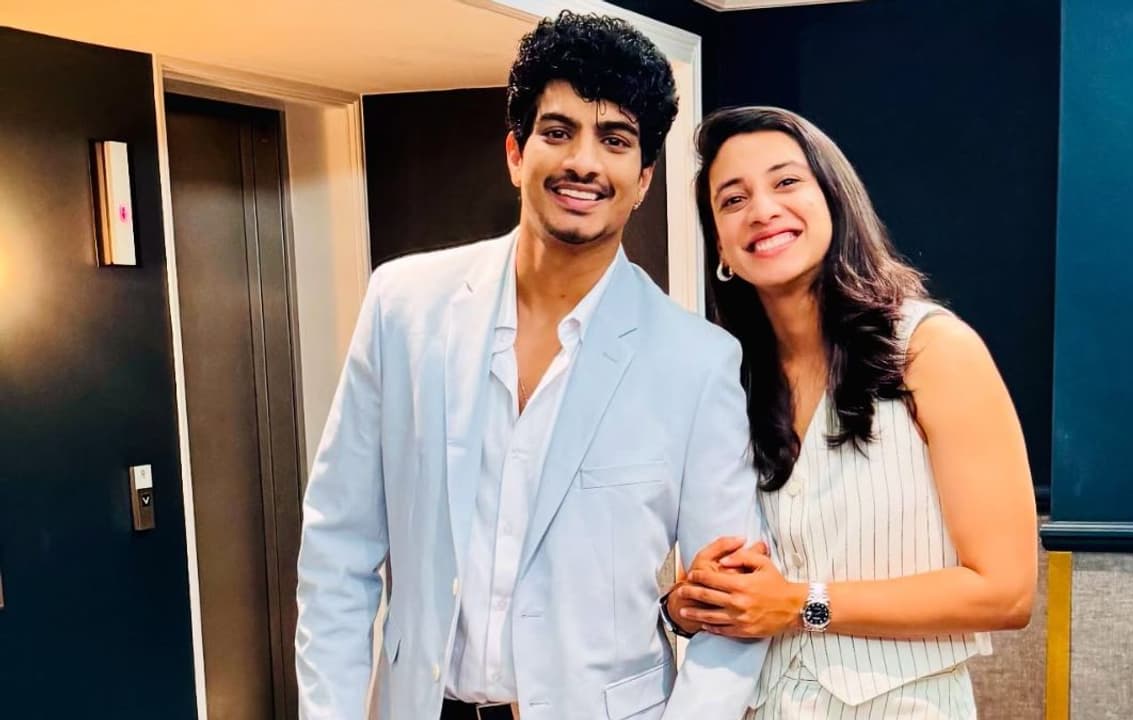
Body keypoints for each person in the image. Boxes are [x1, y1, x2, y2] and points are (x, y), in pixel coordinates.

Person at [295, 13, 768, 720]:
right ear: (516, 153)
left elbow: (732, 612)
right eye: (558, 131)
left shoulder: (696, 361)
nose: (584, 162)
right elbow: (338, 549)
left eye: (615, 140)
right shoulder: (404, 307)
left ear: (643, 179)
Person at [664, 106, 1038, 718]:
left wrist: (800, 604)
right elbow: (737, 576)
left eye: (787, 181)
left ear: (834, 201)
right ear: (722, 247)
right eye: (733, 199)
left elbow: (1005, 592)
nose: (762, 209)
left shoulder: (932, 350)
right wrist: (692, 604)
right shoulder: (728, 380)